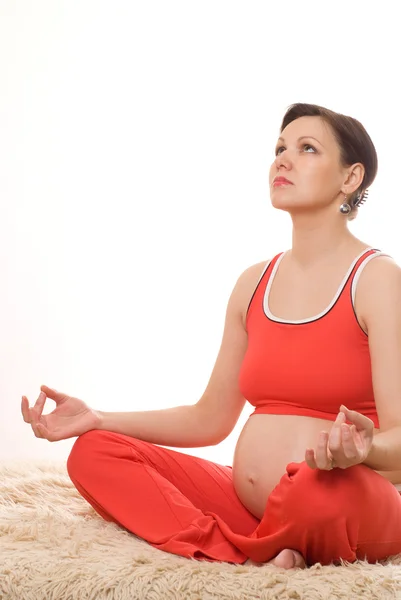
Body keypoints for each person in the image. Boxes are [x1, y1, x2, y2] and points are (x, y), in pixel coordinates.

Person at [21, 103, 401, 570]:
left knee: (314, 487)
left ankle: (273, 544)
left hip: (347, 500)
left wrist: (364, 450)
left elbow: (399, 441)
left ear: (350, 178)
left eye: (307, 149)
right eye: (280, 148)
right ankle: (244, 551)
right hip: (251, 505)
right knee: (95, 453)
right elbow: (210, 419)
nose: (283, 159)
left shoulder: (378, 280)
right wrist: (97, 417)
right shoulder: (253, 283)